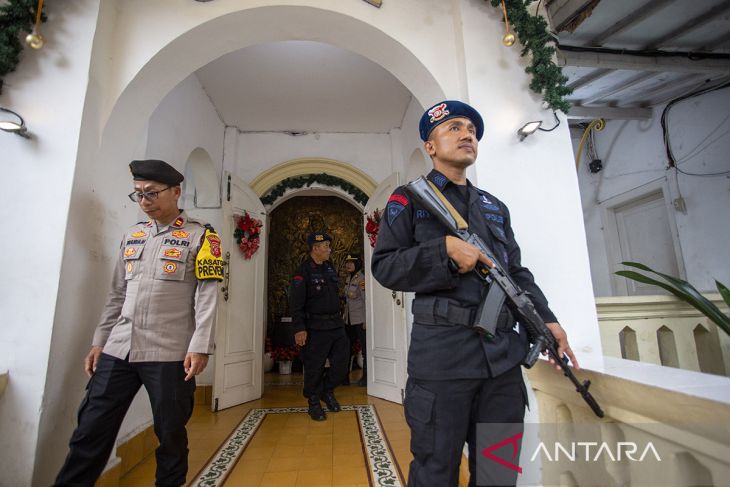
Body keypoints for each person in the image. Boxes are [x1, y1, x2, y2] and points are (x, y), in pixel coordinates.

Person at [371, 101, 579, 487]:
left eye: (470, 128)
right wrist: (443, 250)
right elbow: (385, 266)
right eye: (453, 128)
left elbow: (516, 274)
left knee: (499, 473)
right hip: (442, 363)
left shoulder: (494, 207)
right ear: (430, 146)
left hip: (501, 363)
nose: (467, 134)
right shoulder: (409, 200)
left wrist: (548, 320)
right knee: (435, 472)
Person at [54, 159, 224, 487]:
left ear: (176, 192)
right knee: (89, 431)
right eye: (138, 194)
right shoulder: (132, 236)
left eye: (151, 193)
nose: (144, 201)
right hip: (119, 350)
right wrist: (100, 340)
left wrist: (201, 346)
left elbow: (207, 297)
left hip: (170, 353)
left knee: (170, 435)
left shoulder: (202, 238)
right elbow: (116, 294)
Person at [289, 232, 349, 421]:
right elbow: (296, 303)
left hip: (336, 325)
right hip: (315, 326)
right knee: (314, 367)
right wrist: (299, 328)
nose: (329, 249)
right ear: (315, 248)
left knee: (341, 363)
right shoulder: (303, 272)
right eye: (326, 246)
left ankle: (327, 391)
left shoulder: (330, 268)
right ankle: (314, 402)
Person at [342, 253, 367, 387]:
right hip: (349, 321)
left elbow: (365, 300)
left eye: (351, 262)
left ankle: (366, 378)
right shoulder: (348, 278)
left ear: (357, 264)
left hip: (360, 320)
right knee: (346, 349)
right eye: (347, 262)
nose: (348, 264)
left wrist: (366, 320)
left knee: (364, 349)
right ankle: (344, 377)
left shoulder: (361, 279)